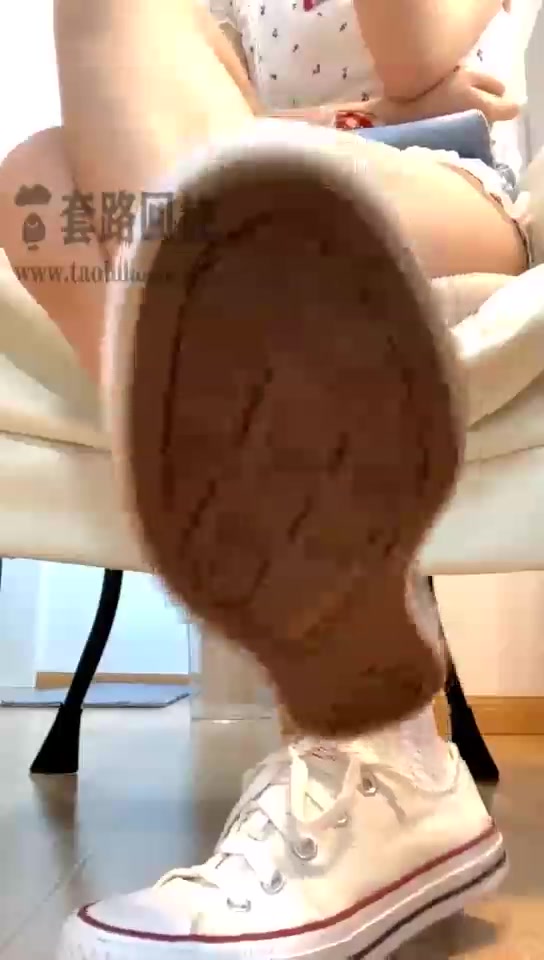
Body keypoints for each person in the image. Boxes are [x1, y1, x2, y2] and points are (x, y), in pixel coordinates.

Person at [0, 0, 532, 956]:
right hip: (249, 182)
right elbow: (194, 122)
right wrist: (322, 118)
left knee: (229, 193)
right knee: (35, 175)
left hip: (441, 182)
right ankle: (347, 678)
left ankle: (354, 710)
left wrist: (362, 116)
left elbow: (414, 56)